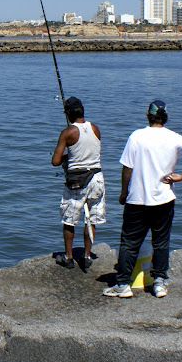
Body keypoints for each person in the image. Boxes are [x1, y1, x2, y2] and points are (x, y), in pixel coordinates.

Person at [103, 100, 182, 298]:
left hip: (137, 200)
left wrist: (124, 193)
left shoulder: (137, 136)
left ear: (147, 115)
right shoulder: (173, 137)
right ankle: (159, 282)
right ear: (166, 117)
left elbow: (127, 168)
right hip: (164, 199)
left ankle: (123, 284)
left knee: (130, 242)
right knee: (161, 241)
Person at [51, 96, 106, 270]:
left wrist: (67, 154)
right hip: (97, 178)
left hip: (78, 181)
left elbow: (55, 160)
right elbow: (89, 151)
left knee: (69, 219)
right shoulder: (95, 128)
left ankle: (68, 257)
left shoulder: (68, 132)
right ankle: (87, 255)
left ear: (68, 113)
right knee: (91, 218)